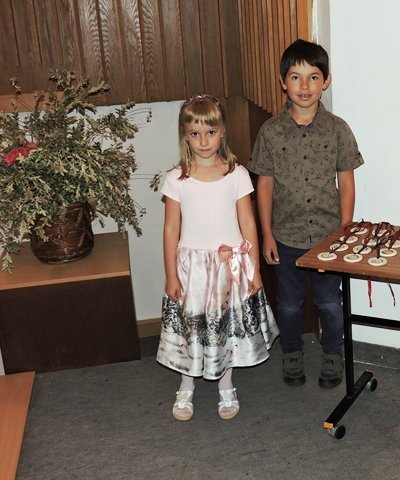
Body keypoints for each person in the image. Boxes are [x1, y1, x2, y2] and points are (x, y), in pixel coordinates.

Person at [248, 39, 363, 389]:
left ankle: (333, 354)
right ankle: (292, 352)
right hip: (286, 237)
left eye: (313, 77)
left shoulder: (338, 128)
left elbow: (347, 182)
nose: (304, 86)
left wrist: (345, 232)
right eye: (296, 77)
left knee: (329, 303)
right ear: (283, 82)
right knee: (289, 304)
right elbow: (264, 186)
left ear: (326, 81)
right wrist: (267, 235)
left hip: (329, 237)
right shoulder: (270, 132)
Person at [157, 94, 279, 421]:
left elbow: (248, 222)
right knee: (192, 326)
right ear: (185, 136)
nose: (203, 141)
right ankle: (186, 385)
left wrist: (254, 269)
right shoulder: (176, 178)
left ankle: (226, 384)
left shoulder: (236, 174)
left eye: (210, 132)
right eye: (195, 134)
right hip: (193, 269)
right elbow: (171, 229)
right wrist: (171, 274)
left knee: (226, 326)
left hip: (230, 268)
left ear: (222, 132)